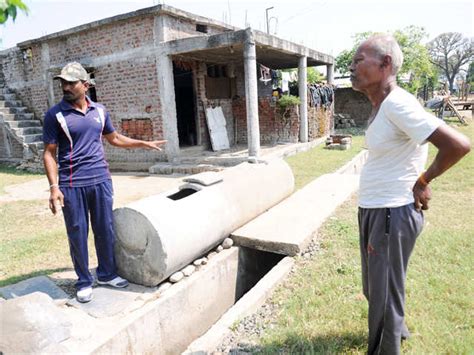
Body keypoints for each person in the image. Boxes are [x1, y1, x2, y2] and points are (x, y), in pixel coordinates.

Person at [349, 35, 470, 354]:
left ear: (385, 63)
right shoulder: (383, 105)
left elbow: (458, 145)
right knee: (377, 288)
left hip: (391, 212)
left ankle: (386, 348)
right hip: (376, 209)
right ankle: (397, 331)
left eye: (359, 59)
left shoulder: (398, 104)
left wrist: (423, 180)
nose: (352, 66)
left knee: (384, 295)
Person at [43, 62, 167, 303]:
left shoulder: (99, 111)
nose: (65, 87)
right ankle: (83, 281)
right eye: (63, 83)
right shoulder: (55, 115)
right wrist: (54, 187)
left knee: (105, 229)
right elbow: (49, 152)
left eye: (71, 82)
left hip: (101, 179)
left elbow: (115, 138)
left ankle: (107, 274)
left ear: (85, 85)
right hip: (72, 183)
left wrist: (143, 144)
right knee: (77, 232)